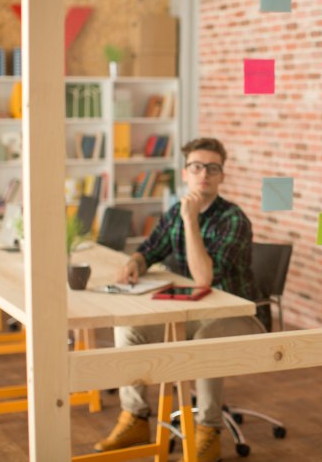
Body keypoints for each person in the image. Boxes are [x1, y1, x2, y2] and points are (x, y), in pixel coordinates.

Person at [94, 137, 266, 462]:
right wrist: (135, 263)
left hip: (238, 316)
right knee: (130, 328)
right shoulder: (175, 211)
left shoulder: (233, 219)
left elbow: (204, 279)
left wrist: (191, 221)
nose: (204, 174)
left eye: (213, 168)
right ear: (184, 173)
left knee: (206, 340)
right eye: (197, 167)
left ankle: (208, 429)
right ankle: (134, 417)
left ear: (222, 176)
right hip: (191, 312)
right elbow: (150, 249)